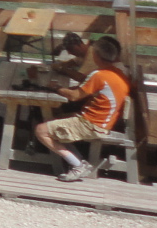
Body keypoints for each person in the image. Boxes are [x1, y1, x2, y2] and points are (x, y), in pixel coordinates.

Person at [35, 36, 132, 182]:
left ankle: (78, 165)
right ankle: (79, 161)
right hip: (104, 121)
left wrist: (56, 88)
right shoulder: (117, 72)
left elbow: (74, 96)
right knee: (56, 120)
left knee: (41, 130)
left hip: (92, 125)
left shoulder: (99, 75)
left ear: (96, 56)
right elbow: (84, 90)